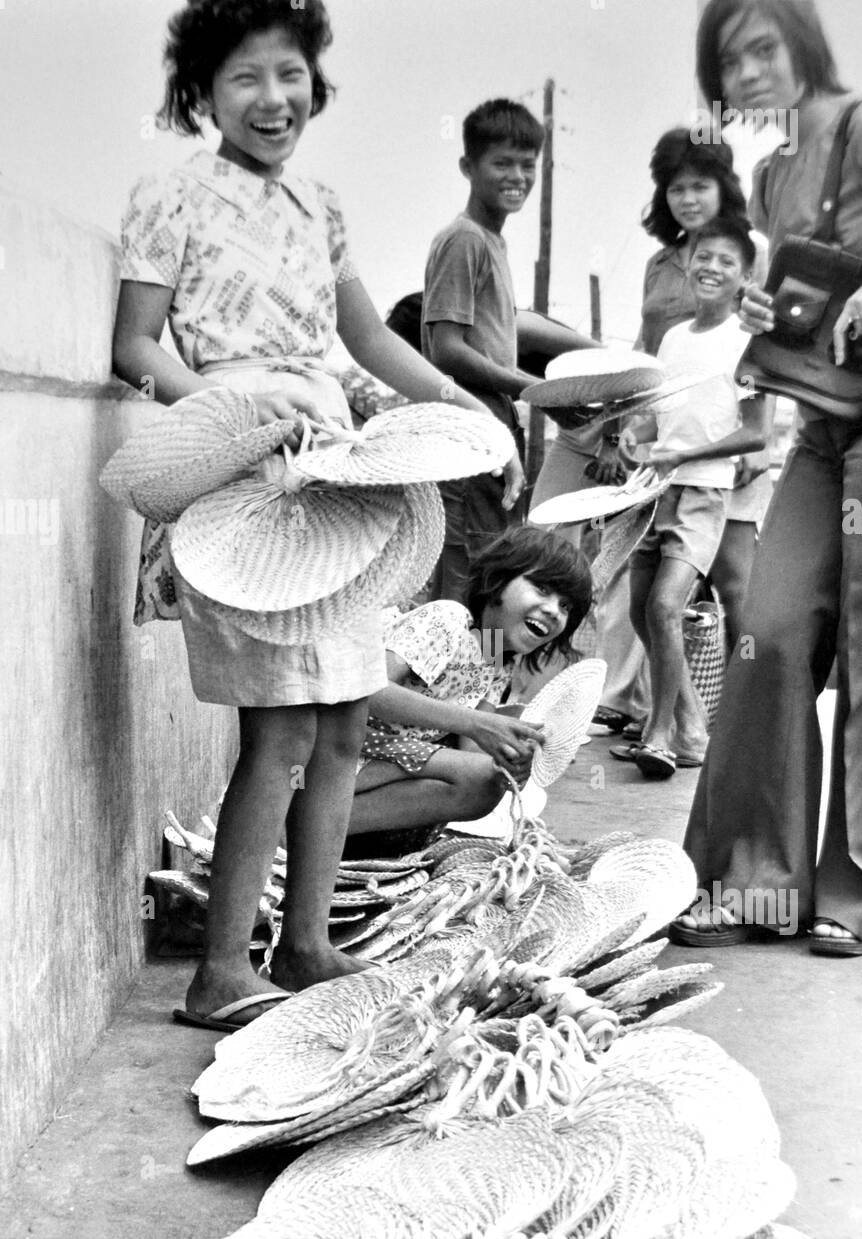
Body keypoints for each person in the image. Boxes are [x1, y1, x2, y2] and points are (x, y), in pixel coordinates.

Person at [111, 0, 500, 1030]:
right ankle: (219, 973)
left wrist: (463, 406)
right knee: (277, 729)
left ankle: (306, 941)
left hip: (338, 485)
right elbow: (138, 349)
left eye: (288, 74)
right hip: (247, 484)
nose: (272, 99)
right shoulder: (169, 192)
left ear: (312, 81)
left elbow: (368, 334)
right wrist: (240, 406)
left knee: (338, 724)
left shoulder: (319, 203)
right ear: (201, 93)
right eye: (244, 78)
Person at [677, 0, 862, 956]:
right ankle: (754, 884)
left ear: (802, 44)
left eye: (764, 47)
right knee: (764, 629)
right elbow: (807, 289)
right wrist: (769, 305)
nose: (750, 73)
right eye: (730, 62)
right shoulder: (768, 176)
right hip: (822, 415)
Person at [422, 98, 599, 601]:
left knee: (490, 576)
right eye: (502, 163)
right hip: (465, 433)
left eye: (528, 165)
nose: (517, 176)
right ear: (467, 167)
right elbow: (445, 351)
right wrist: (535, 387)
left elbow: (499, 339)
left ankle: (481, 677)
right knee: (462, 583)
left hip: (495, 430)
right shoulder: (464, 240)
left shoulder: (493, 242)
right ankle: (439, 680)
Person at [615, 218, 767, 780]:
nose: (711, 268)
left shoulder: (749, 343)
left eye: (727, 261)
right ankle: (694, 726)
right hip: (654, 490)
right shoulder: (674, 338)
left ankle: (660, 734)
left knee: (665, 605)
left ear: (745, 277)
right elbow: (657, 420)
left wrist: (682, 455)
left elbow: (756, 433)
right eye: (703, 257)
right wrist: (638, 436)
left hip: (704, 492)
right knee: (638, 608)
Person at [347, 527, 592, 841]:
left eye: (566, 607)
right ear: (497, 581)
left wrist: (513, 755)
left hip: (388, 761)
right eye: (543, 589)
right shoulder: (448, 621)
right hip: (344, 746)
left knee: (486, 781)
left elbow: (474, 755)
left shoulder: (496, 662)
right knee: (479, 777)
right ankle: (306, 827)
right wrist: (477, 723)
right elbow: (367, 689)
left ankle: (337, 827)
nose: (553, 610)